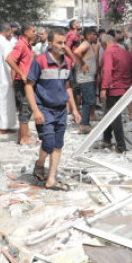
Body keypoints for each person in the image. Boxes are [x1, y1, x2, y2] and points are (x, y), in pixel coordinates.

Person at [25, 30, 79, 190]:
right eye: (59, 43)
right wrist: (36, 111)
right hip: (44, 109)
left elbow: (68, 87)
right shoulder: (40, 61)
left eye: (64, 43)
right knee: (48, 143)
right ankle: (40, 164)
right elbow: (29, 86)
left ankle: (51, 179)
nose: (63, 46)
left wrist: (74, 110)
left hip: (61, 110)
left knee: (58, 145)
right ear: (50, 44)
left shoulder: (67, 63)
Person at [99, 33, 132, 153]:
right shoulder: (125, 52)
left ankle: (121, 145)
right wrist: (131, 82)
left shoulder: (109, 52)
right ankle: (107, 138)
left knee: (115, 117)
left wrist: (104, 88)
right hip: (125, 88)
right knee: (109, 113)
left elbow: (107, 70)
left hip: (114, 88)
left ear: (104, 43)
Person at [6, 24, 39, 145]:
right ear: (25, 32)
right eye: (33, 31)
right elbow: (9, 59)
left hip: (25, 81)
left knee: (28, 107)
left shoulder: (27, 44)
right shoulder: (20, 44)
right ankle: (24, 139)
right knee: (25, 108)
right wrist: (21, 74)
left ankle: (24, 133)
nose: (35, 33)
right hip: (22, 81)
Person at [73, 27, 100, 134]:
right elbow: (77, 52)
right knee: (88, 102)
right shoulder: (86, 44)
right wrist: (83, 63)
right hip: (85, 78)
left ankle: (85, 123)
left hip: (88, 78)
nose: (96, 36)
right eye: (94, 34)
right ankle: (84, 124)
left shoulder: (89, 45)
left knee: (87, 101)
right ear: (89, 35)